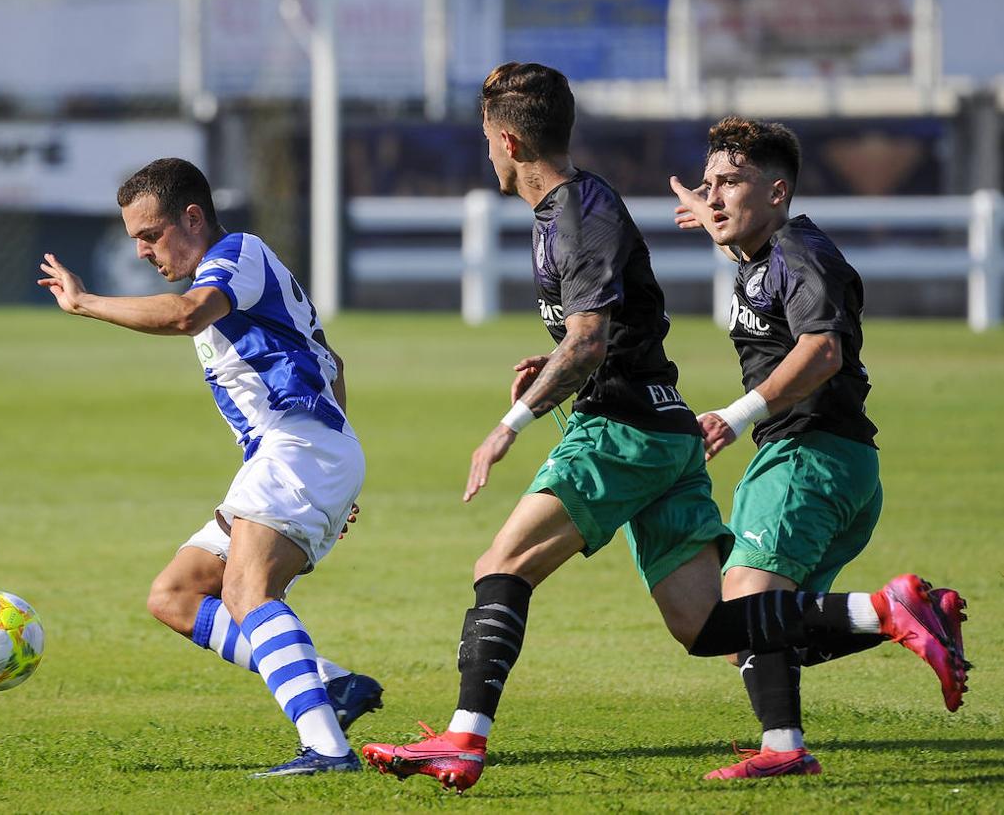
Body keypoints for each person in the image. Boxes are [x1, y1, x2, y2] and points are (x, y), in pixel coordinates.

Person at [358, 63, 968, 794]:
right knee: (708, 626)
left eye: (487, 140)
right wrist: (710, 225)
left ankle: (462, 741)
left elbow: (592, 342)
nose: (485, 153)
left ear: (510, 140)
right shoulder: (575, 215)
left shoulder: (580, 214)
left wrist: (510, 424)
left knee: (501, 565)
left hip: (636, 430)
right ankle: (870, 624)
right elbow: (602, 332)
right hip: (665, 433)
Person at [38, 157, 380, 777]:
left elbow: (183, 314)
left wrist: (85, 301)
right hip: (301, 453)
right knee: (174, 596)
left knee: (248, 593)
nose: (142, 251)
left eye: (149, 235)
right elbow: (334, 362)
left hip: (298, 448)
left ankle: (329, 751)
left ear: (192, 217)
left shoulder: (237, 254)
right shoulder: (232, 276)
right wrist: (337, 470)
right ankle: (331, 686)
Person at [668, 117, 971, 779]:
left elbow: (822, 348)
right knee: (757, 635)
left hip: (808, 458)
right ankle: (911, 618)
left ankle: (882, 624)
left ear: (776, 192)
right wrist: (712, 213)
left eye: (731, 183)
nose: (714, 195)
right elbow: (748, 257)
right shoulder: (761, 250)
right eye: (707, 183)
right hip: (832, 462)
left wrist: (737, 413)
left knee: (744, 610)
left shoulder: (799, 255)